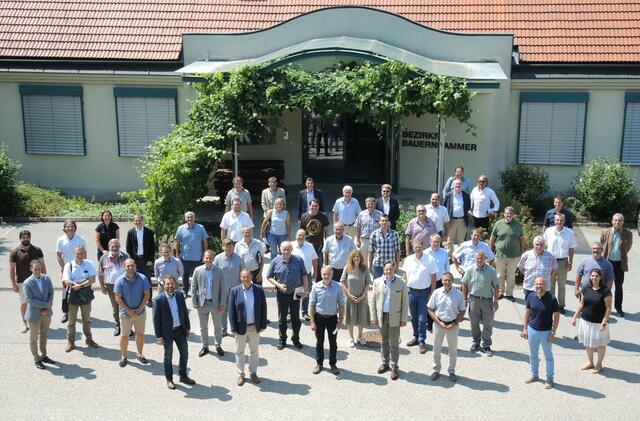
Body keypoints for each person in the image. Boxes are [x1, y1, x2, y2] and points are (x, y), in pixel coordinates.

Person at [153, 276, 195, 390]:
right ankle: (169, 379)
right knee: (168, 356)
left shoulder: (179, 295)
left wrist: (187, 327)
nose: (170, 286)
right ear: (163, 285)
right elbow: (156, 320)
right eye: (167, 284)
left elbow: (184, 312)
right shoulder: (158, 300)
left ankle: (183, 376)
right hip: (167, 333)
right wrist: (158, 336)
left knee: (185, 353)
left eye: (172, 284)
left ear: (175, 284)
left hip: (180, 330)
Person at [370, 261, 408, 380]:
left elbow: (405, 302)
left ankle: (394, 366)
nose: (388, 272)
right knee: (384, 341)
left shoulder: (401, 283)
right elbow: (372, 300)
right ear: (383, 270)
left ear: (394, 269)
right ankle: (385, 363)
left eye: (390, 269)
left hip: (395, 317)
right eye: (386, 269)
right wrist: (373, 317)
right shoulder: (377, 282)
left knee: (394, 343)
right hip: (382, 316)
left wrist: (404, 319)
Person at [267, 241, 309, 350]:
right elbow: (269, 276)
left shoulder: (298, 260)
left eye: (288, 249)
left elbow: (304, 276)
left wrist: (305, 291)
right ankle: (282, 340)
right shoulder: (275, 261)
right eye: (284, 249)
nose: (286, 251)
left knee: (296, 318)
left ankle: (295, 339)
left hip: (296, 293)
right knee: (282, 318)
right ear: (281, 250)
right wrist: (278, 285)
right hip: (282, 294)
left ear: (291, 250)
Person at [229, 269, 268, 386]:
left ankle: (253, 373)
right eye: (243, 277)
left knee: (254, 352)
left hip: (254, 327)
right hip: (240, 327)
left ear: (251, 277)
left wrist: (262, 324)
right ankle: (241, 375)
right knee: (240, 351)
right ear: (240, 278)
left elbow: (263, 308)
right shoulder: (234, 291)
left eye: (247, 277)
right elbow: (231, 310)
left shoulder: (259, 290)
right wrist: (233, 327)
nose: (245, 279)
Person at [571, 268, 612, 374]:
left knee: (601, 344)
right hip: (586, 322)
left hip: (599, 323)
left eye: (596, 276)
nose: (594, 278)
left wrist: (604, 321)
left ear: (600, 278)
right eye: (592, 276)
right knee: (588, 343)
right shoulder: (585, 288)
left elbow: (608, 308)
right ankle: (590, 362)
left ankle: (599, 364)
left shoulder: (605, 291)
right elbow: (581, 304)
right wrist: (575, 316)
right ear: (590, 277)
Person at [521, 277, 560, 389]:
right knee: (533, 354)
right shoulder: (531, 296)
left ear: (545, 285)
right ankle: (535, 375)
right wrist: (525, 328)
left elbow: (557, 316)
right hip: (532, 330)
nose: (539, 286)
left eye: (541, 284)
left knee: (548, 356)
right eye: (537, 284)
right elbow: (527, 313)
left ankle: (550, 378)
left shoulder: (552, 299)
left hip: (546, 332)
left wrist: (553, 332)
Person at [427, 272, 466, 382]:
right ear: (442, 281)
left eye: (449, 280)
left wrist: (454, 323)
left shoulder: (459, 294)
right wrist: (439, 322)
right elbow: (430, 309)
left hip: (453, 325)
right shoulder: (436, 292)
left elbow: (462, 311)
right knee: (436, 349)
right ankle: (436, 370)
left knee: (452, 350)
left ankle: (452, 371)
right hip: (439, 324)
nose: (447, 282)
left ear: (452, 281)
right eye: (445, 280)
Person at [461, 250, 500, 356]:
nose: (479, 260)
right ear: (475, 259)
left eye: (481, 258)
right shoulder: (469, 270)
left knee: (488, 323)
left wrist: (496, 301)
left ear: (485, 259)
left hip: (487, 301)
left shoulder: (491, 270)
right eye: (477, 258)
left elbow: (496, 286)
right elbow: (464, 284)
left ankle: (486, 345)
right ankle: (476, 343)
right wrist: (465, 299)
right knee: (474, 323)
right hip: (473, 300)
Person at [114, 258, 151, 367]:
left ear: (135, 266)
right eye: (128, 266)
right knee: (125, 336)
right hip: (126, 314)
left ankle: (139, 354)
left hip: (140, 312)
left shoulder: (142, 278)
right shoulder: (120, 280)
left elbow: (147, 294)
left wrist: (139, 308)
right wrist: (129, 311)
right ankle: (124, 356)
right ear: (124, 267)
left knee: (140, 334)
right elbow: (118, 298)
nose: (130, 268)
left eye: (132, 265)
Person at [402, 239, 437, 354]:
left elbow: (433, 277)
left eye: (419, 246)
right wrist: (407, 287)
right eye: (415, 246)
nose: (417, 248)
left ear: (422, 246)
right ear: (412, 247)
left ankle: (422, 341)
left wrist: (432, 293)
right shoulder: (408, 260)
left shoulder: (429, 259)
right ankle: (416, 337)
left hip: (423, 293)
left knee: (422, 319)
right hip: (411, 292)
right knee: (413, 317)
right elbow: (405, 274)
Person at [310, 266, 346, 375]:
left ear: (332, 275)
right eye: (324, 274)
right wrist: (312, 321)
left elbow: (341, 305)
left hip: (332, 319)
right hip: (319, 318)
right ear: (321, 275)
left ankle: (333, 364)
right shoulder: (316, 287)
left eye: (328, 274)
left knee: (333, 342)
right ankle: (319, 363)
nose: (326, 276)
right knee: (319, 342)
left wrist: (340, 321)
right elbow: (312, 305)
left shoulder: (338, 287)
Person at [62, 245, 98, 352]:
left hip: (85, 295)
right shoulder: (69, 265)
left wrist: (80, 285)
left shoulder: (89, 264)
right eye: (77, 253)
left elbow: (92, 279)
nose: (80, 255)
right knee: (71, 321)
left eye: (81, 253)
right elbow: (66, 281)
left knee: (86, 320)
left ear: (84, 253)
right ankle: (71, 341)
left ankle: (89, 339)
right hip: (73, 295)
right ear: (74, 253)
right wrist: (75, 284)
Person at [9, 229, 46, 332]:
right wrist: (13, 284)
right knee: (24, 302)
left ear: (30, 238)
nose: (25, 239)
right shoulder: (14, 252)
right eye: (23, 237)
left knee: (37, 303)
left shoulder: (37, 250)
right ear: (20, 239)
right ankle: (24, 323)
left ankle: (36, 322)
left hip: (37, 281)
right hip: (22, 283)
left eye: (27, 237)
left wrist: (44, 280)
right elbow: (11, 269)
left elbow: (43, 265)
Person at [192, 249, 226, 357]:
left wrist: (222, 303)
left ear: (213, 259)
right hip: (202, 303)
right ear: (203, 258)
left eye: (210, 258)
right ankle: (205, 346)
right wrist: (194, 301)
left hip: (215, 304)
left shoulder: (219, 271)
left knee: (217, 326)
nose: (208, 260)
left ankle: (218, 345)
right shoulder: (198, 270)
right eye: (206, 258)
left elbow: (223, 288)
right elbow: (194, 287)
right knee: (203, 327)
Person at [489, 207, 525, 302]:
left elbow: (521, 239)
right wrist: (490, 252)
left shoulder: (518, 225)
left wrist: (522, 252)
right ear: (504, 214)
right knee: (499, 275)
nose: (508, 215)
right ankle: (500, 292)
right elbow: (492, 238)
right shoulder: (498, 224)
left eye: (510, 214)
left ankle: (509, 293)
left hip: (514, 255)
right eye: (507, 213)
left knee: (511, 275)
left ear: (513, 215)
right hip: (500, 255)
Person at [24, 260, 55, 370]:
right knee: (34, 337)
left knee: (44, 335)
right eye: (35, 269)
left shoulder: (46, 279)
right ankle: (36, 359)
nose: (38, 271)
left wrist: (48, 307)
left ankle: (44, 355)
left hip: (46, 313)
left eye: (39, 269)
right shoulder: (27, 283)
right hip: (34, 314)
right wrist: (46, 305)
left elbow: (51, 292)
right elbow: (30, 300)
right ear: (31, 269)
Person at [543, 213, 577, 313]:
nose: (559, 222)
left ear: (564, 221)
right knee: (550, 284)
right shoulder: (549, 231)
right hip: (550, 261)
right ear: (554, 220)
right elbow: (544, 246)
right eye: (557, 220)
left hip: (563, 261)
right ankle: (551, 304)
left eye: (561, 220)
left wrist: (570, 261)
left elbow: (571, 248)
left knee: (561, 285)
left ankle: (561, 305)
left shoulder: (569, 232)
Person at [600, 213, 633, 317]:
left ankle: (618, 308)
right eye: (615, 220)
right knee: (605, 286)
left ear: (622, 222)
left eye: (620, 220)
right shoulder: (606, 232)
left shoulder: (628, 234)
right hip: (607, 262)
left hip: (619, 264)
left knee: (619, 286)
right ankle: (603, 308)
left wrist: (620, 255)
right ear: (612, 221)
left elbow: (628, 246)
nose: (617, 222)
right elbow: (602, 243)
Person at [56, 219, 86, 323]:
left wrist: (83, 266)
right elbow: (59, 255)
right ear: (64, 228)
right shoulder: (61, 240)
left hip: (79, 268)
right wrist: (64, 267)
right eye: (68, 226)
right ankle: (66, 312)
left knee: (80, 290)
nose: (70, 228)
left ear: (75, 228)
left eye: (72, 226)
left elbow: (84, 254)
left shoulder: (80, 239)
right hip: (67, 269)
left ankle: (82, 311)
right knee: (66, 292)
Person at [97, 239, 129, 336]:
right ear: (109, 247)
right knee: (115, 307)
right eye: (112, 246)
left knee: (126, 305)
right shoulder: (104, 258)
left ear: (119, 246)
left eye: (116, 246)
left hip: (125, 285)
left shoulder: (126, 256)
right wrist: (102, 286)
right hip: (111, 286)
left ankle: (127, 326)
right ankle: (117, 325)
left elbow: (132, 271)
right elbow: (100, 273)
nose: (114, 248)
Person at [340, 250, 371, 347]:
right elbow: (342, 282)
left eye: (358, 256)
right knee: (350, 318)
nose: (356, 258)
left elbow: (367, 283)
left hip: (362, 298)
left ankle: (360, 336)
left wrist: (363, 295)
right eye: (354, 256)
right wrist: (349, 295)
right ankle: (351, 338)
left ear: (361, 258)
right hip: (350, 298)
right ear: (351, 258)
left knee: (361, 318)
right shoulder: (347, 268)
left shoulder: (365, 269)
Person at [215, 240, 245, 336]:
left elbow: (243, 273)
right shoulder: (218, 259)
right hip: (223, 290)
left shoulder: (239, 259)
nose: (228, 249)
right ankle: (224, 329)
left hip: (236, 290)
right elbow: (214, 274)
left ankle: (235, 328)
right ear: (223, 247)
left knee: (236, 310)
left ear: (233, 247)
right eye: (226, 246)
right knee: (223, 311)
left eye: (230, 246)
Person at [175, 211, 208, 297]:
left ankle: (197, 292)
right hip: (185, 257)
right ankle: (185, 290)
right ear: (185, 219)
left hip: (198, 257)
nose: (190, 219)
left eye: (191, 217)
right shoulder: (180, 228)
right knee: (185, 275)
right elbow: (177, 242)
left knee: (198, 275)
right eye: (188, 217)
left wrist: (205, 254)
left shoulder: (201, 228)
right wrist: (177, 255)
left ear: (194, 218)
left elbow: (205, 241)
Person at [125, 214, 156, 305]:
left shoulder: (149, 232)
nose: (137, 222)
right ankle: (138, 299)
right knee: (135, 280)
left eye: (139, 220)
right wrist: (131, 261)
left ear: (142, 221)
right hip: (135, 260)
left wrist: (150, 260)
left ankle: (149, 299)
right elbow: (128, 247)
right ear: (134, 221)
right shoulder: (131, 232)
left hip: (146, 260)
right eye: (136, 220)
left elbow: (152, 247)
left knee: (147, 280)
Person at [299, 198, 330, 282]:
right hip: (307, 244)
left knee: (319, 263)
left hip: (318, 244)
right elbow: (301, 231)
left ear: (319, 206)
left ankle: (319, 280)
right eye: (312, 205)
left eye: (316, 206)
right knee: (306, 262)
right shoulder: (304, 216)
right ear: (309, 206)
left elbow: (326, 229)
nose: (314, 207)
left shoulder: (323, 216)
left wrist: (327, 241)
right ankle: (305, 280)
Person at [517, 236, 558, 300]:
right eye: (537, 244)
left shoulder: (551, 256)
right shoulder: (526, 255)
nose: (539, 247)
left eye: (541, 245)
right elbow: (521, 267)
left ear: (544, 245)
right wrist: (527, 275)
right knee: (529, 308)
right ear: (533, 244)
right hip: (530, 286)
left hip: (544, 287)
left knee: (544, 308)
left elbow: (555, 269)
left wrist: (547, 277)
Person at [425, 234, 450, 332]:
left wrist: (448, 279)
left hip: (440, 281)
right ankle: (429, 323)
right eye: (434, 242)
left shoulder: (444, 253)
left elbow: (446, 266)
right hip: (428, 281)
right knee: (429, 303)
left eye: (438, 242)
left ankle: (438, 322)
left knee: (439, 303)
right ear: (430, 242)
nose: (436, 243)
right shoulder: (425, 253)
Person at [292, 229, 319, 321]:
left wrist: (315, 272)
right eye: (299, 235)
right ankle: (290, 313)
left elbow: (314, 260)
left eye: (302, 236)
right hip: (294, 275)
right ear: (296, 236)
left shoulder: (310, 246)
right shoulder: (291, 245)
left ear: (305, 237)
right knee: (292, 293)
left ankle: (304, 313)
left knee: (306, 293)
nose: (301, 237)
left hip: (307, 274)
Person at [443, 179, 471, 256]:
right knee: (449, 240)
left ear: (461, 185)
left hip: (462, 220)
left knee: (461, 241)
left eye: (459, 184)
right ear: (453, 185)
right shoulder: (448, 195)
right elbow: (444, 207)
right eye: (456, 184)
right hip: (451, 221)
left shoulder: (466, 195)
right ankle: (449, 257)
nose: (457, 186)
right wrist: (446, 220)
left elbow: (468, 206)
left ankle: (459, 256)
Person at [368, 214, 401, 279]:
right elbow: (370, 252)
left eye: (386, 220)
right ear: (379, 222)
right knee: (377, 286)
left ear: (389, 222)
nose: (384, 222)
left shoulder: (394, 234)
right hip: (378, 265)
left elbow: (397, 251)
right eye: (382, 220)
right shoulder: (374, 234)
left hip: (390, 266)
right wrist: (370, 266)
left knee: (390, 286)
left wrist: (397, 266)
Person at [355, 197, 382, 264]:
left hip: (375, 240)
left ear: (374, 204)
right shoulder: (361, 214)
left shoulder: (380, 214)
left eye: (372, 204)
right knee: (363, 258)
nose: (370, 205)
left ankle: (372, 272)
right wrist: (358, 240)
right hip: (364, 240)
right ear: (366, 204)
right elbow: (358, 227)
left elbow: (382, 227)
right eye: (368, 204)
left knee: (375, 257)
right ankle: (364, 272)